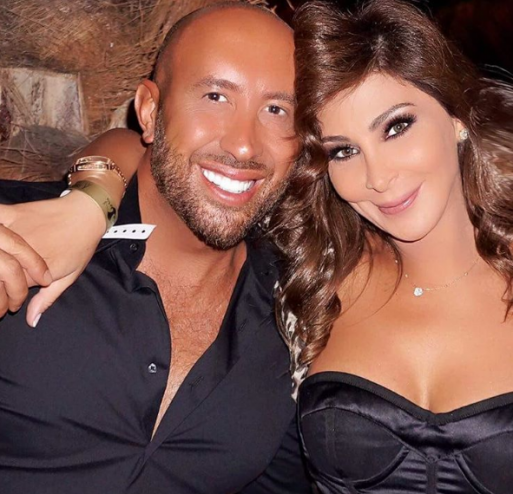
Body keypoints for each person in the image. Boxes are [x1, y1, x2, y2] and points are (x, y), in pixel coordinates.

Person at [0, 3, 312, 493]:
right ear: (149, 111)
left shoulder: (298, 312)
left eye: (277, 110)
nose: (244, 146)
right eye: (215, 96)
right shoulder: (18, 233)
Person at [271, 0, 513, 492]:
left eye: (396, 127)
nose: (377, 178)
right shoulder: (313, 282)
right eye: (344, 151)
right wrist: (104, 177)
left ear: (456, 116)